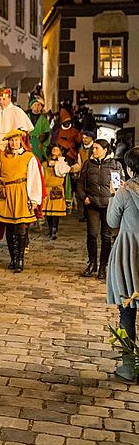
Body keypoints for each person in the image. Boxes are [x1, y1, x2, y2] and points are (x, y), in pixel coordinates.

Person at [0, 129, 42, 273]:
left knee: (20, 228)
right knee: (9, 227)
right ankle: (13, 258)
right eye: (11, 140)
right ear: (8, 142)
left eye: (16, 140)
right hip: (5, 194)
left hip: (21, 193)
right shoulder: (0, 157)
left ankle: (20, 259)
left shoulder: (29, 157)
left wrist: (34, 199)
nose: (14, 143)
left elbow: (34, 179)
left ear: (21, 140)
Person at [107, 147, 139, 382]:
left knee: (127, 313)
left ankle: (128, 367)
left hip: (130, 253)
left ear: (129, 168)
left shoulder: (124, 192)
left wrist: (113, 195)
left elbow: (112, 221)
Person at [78, 139, 124, 279]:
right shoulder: (88, 164)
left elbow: (117, 188)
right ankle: (92, 263)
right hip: (92, 204)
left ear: (105, 150)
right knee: (92, 234)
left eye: (97, 148)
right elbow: (80, 184)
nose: (94, 151)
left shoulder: (115, 165)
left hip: (108, 205)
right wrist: (83, 197)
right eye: (93, 148)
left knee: (106, 236)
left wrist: (115, 200)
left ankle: (103, 266)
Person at [42, 146, 70, 240]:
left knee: (55, 213)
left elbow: (64, 171)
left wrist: (58, 164)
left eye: (57, 149)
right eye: (53, 149)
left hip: (56, 189)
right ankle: (50, 229)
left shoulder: (62, 164)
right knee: (48, 212)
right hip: (47, 189)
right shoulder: (45, 164)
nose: (54, 150)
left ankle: (54, 230)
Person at [70, 130, 96, 220]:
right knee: (82, 195)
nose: (84, 139)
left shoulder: (95, 148)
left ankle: (90, 215)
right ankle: (83, 214)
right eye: (83, 137)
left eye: (86, 138)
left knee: (91, 195)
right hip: (83, 175)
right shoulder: (81, 149)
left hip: (93, 175)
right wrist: (72, 168)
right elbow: (79, 163)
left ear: (91, 138)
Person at [27, 95, 51, 162]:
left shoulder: (44, 120)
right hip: (28, 141)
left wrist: (42, 142)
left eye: (38, 105)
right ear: (31, 106)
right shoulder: (26, 117)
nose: (37, 107)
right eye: (35, 104)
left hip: (39, 142)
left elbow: (47, 133)